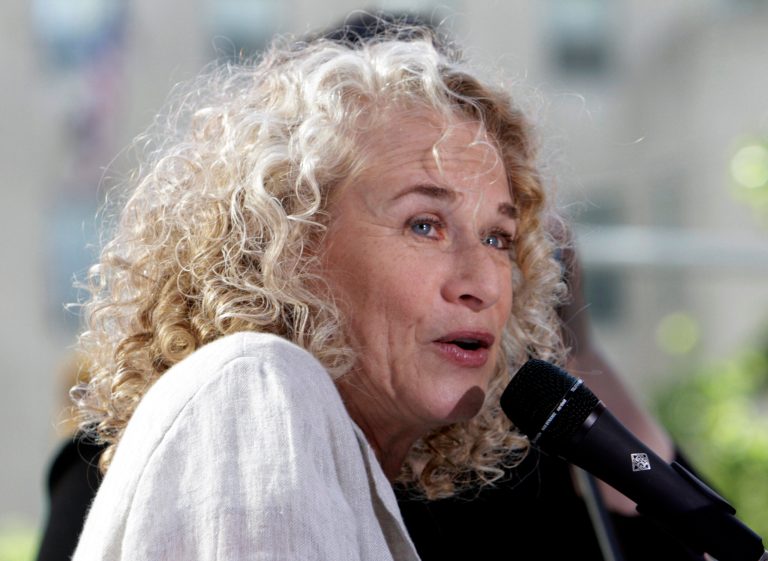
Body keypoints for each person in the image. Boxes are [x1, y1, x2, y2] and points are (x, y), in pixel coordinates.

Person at [65, 20, 567, 560]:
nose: (483, 283)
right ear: (288, 245)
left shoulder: (327, 453)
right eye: (424, 224)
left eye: (498, 238)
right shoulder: (257, 392)